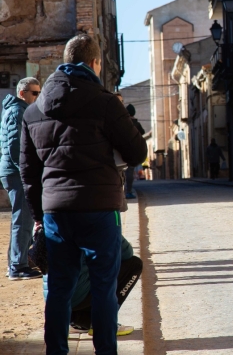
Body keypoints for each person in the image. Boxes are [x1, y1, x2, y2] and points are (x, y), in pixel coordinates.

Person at [20, 34, 148, 355]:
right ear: (94, 63)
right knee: (104, 287)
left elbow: (28, 173)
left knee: (59, 289)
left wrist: (40, 216)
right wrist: (122, 119)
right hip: (98, 211)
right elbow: (137, 153)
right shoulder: (105, 103)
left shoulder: (34, 112)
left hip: (56, 213)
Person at [40, 236, 142, 336]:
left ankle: (76, 320)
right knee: (134, 264)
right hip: (76, 296)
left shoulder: (53, 220)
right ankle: (103, 322)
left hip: (53, 298)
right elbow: (126, 252)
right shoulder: (95, 221)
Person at [1, 77, 42, 280]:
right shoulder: (18, 111)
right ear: (22, 93)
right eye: (34, 93)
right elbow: (15, 146)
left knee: (21, 218)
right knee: (23, 219)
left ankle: (16, 263)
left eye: (39, 93)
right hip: (16, 173)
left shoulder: (18, 110)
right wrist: (27, 172)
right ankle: (18, 266)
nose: (37, 97)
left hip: (13, 171)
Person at [124, 104, 145, 198]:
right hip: (133, 150)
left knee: (121, 172)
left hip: (122, 149)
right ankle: (128, 191)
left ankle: (122, 192)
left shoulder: (123, 122)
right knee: (130, 172)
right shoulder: (137, 124)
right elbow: (142, 133)